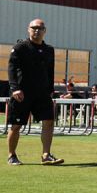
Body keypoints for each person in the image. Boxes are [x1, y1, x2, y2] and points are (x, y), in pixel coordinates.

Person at [6, 19, 63, 166]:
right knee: (16, 125)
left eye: (40, 28)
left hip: (42, 93)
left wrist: (50, 90)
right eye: (34, 28)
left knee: (49, 122)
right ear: (28, 29)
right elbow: (12, 69)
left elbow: (50, 71)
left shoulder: (49, 50)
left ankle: (46, 155)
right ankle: (11, 156)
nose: (37, 31)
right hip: (22, 93)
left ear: (45, 31)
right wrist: (14, 88)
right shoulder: (20, 47)